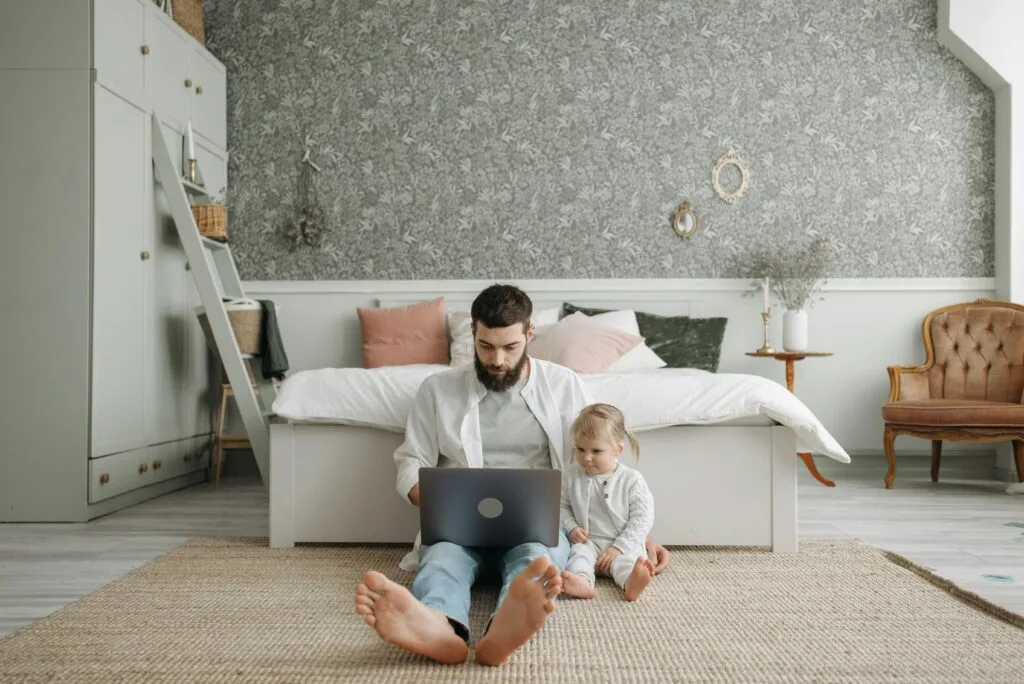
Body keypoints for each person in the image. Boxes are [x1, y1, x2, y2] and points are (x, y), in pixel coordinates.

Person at [354, 284, 670, 666]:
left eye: (510, 347)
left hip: (537, 524)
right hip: (460, 524)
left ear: (529, 334)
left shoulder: (564, 385)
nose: (497, 360)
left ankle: (503, 628)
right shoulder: (438, 389)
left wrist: (632, 533)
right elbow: (411, 459)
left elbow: (595, 461)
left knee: (536, 560)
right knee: (441, 562)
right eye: (486, 346)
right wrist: (435, 499)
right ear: (472, 333)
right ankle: (440, 626)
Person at [559, 403, 657, 602]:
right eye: (580, 449)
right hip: (588, 542)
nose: (586, 458)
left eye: (596, 451)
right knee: (578, 556)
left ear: (617, 449)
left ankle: (631, 583)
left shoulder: (631, 480)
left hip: (620, 544)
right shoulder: (571, 476)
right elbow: (561, 506)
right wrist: (571, 527)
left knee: (627, 562)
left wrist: (618, 547)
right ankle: (583, 582)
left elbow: (642, 518)